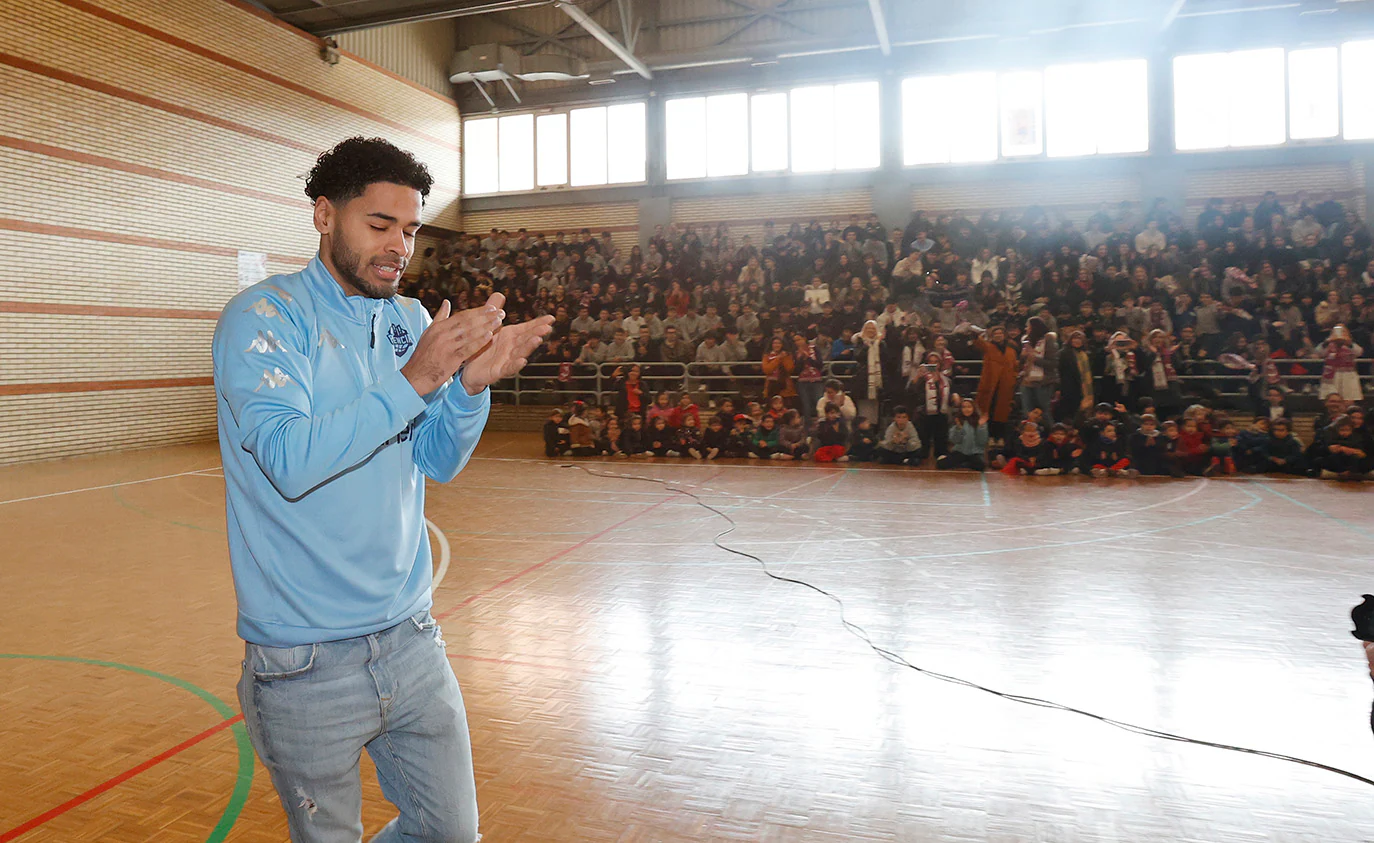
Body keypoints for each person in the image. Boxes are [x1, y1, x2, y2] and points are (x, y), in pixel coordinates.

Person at [213, 137, 551, 842]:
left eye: (410, 229)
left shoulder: (408, 321)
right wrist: (417, 379)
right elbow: (288, 459)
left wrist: (468, 390)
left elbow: (434, 458)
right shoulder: (264, 319)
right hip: (303, 659)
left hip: (410, 638)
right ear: (324, 215)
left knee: (450, 833)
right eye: (379, 225)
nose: (400, 245)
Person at [972, 324, 1019, 443]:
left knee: (1002, 412)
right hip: (990, 384)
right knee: (988, 410)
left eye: (1000, 333)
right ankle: (989, 436)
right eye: (995, 334)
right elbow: (977, 343)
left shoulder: (1011, 350)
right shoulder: (988, 347)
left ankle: (1000, 436)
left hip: (1006, 385)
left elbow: (1015, 366)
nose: (998, 336)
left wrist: (1014, 378)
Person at [938, 398, 988, 471]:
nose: (966, 409)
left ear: (974, 408)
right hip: (960, 452)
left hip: (975, 452)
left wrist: (980, 427)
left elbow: (982, 441)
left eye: (969, 407)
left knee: (981, 466)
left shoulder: (980, 421)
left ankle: (964, 464)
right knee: (941, 465)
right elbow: (955, 441)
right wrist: (958, 429)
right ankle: (963, 463)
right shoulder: (958, 420)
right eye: (964, 407)